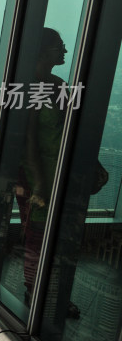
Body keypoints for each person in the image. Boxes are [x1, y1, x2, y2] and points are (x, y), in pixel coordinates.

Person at [16, 28, 108, 315]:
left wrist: (92, 166)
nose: (65, 52)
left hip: (61, 175)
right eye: (60, 47)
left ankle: (53, 293)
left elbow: (73, 134)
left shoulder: (57, 85)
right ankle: (35, 293)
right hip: (38, 178)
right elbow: (28, 139)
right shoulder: (31, 87)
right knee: (38, 237)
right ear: (44, 51)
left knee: (59, 237)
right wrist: (40, 184)